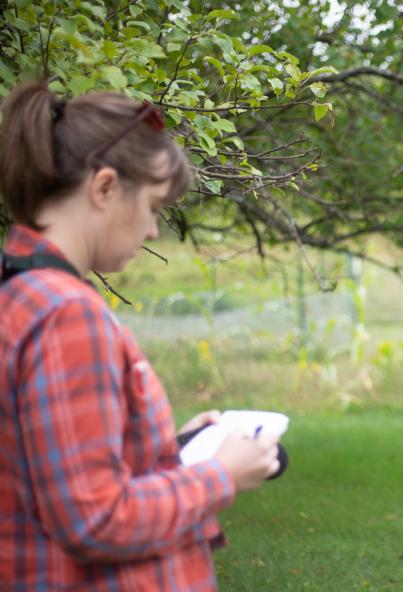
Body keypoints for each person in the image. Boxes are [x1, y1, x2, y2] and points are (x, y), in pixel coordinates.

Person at [0, 82, 281, 590]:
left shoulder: (19, 293)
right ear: (104, 187)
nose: (153, 231)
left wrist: (170, 451)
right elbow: (94, 520)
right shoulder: (66, 314)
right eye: (152, 207)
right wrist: (219, 474)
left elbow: (51, 472)